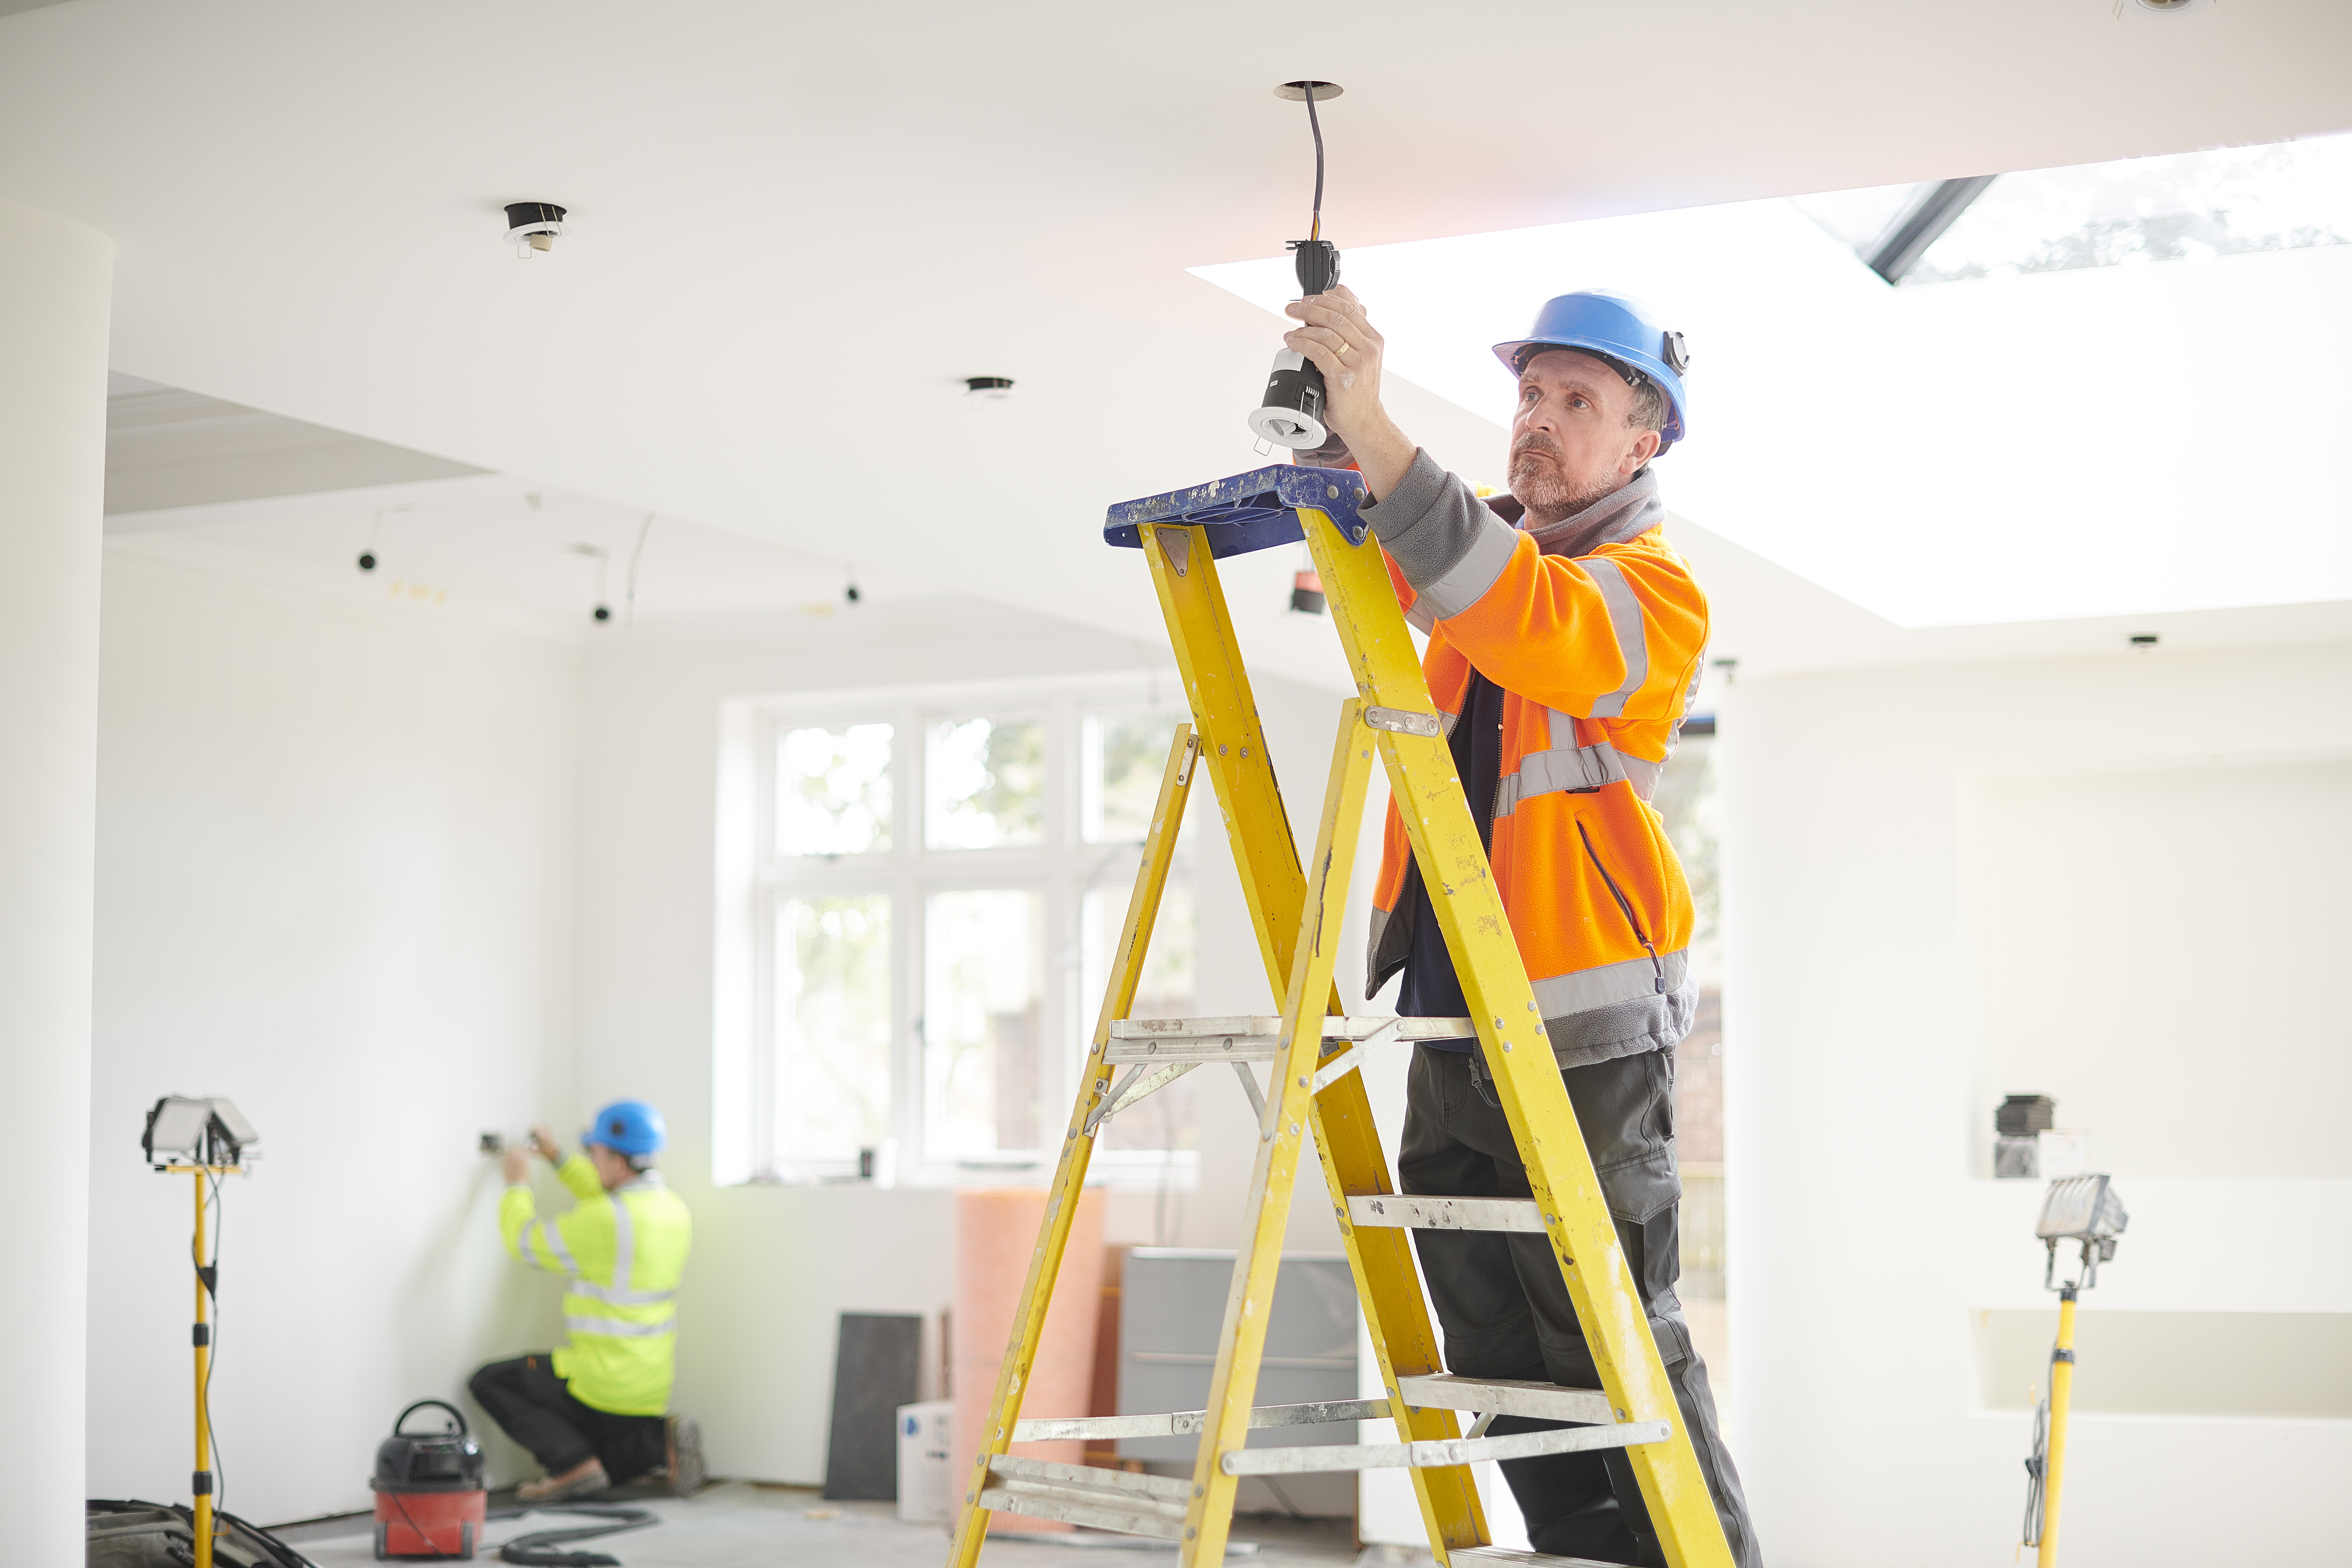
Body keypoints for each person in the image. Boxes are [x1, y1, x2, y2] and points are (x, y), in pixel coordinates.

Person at [1280, 286, 1757, 1567]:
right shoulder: (1482, 559)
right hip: (1451, 1006)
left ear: (1641, 443)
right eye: (1531, 394)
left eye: (1576, 401)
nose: (1537, 420)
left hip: (1576, 1022)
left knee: (1606, 1325)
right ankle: (1581, 1548)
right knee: (1490, 1330)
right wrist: (1329, 426)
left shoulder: (1651, 593)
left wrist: (1377, 428)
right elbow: (1396, 555)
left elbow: (1522, 613)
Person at [469, 1099, 703, 1500]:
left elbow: (525, 1242)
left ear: (618, 1162)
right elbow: (601, 1192)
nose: (591, 1162)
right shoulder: (672, 1209)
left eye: (594, 1153)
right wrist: (557, 1157)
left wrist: (517, 1184)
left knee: (491, 1382)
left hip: (600, 1381)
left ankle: (572, 1466)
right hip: (649, 1386)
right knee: (609, 1456)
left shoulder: (606, 1221)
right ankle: (658, 1442)